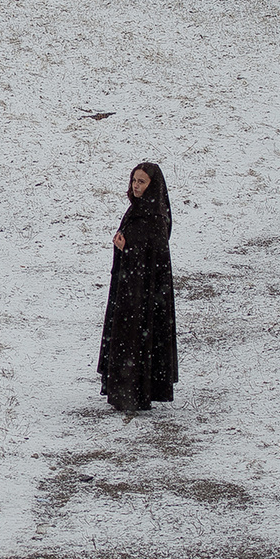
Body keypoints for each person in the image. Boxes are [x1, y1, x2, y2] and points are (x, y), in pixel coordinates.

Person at [97, 161, 178, 411]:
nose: (136, 185)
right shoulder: (137, 209)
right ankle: (124, 392)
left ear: (153, 185)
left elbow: (155, 255)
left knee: (137, 338)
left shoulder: (155, 216)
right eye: (134, 180)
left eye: (141, 181)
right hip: (130, 287)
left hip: (144, 292)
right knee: (127, 337)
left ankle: (136, 393)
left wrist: (128, 248)